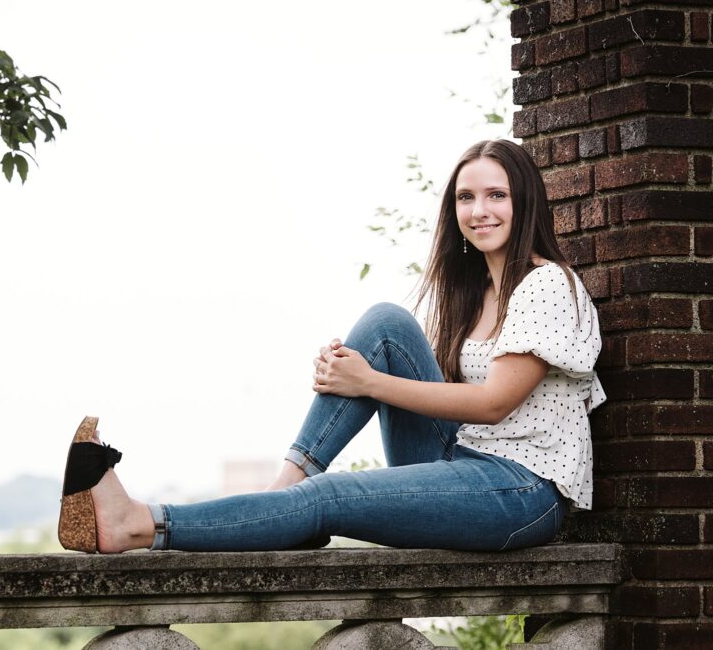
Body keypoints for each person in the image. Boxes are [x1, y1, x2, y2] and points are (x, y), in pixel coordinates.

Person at [57, 139, 605, 554]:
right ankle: (288, 482)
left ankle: (141, 524)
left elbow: (493, 404)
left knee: (332, 498)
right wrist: (357, 374)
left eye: (496, 195)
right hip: (466, 462)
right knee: (386, 323)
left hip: (524, 492)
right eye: (466, 197)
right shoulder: (476, 292)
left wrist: (366, 382)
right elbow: (447, 402)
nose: (478, 210)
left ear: (523, 201)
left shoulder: (545, 283)